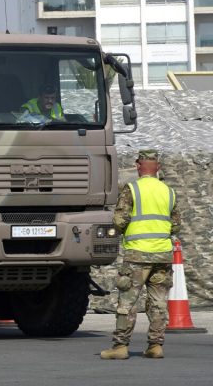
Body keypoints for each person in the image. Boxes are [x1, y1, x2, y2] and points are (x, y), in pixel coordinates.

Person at [100, 149, 179, 360]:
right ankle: (155, 345)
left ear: (137, 166)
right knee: (159, 302)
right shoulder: (168, 191)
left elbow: (119, 221)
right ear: (158, 168)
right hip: (162, 254)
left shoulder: (132, 189)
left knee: (127, 301)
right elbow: (176, 225)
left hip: (137, 255)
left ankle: (120, 346)